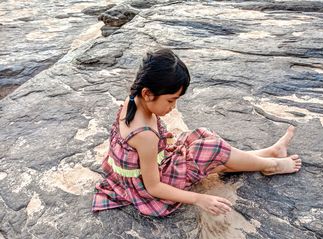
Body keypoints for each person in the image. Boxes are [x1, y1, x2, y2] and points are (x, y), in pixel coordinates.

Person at [92, 48, 302, 217]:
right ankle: (271, 164)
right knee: (211, 148)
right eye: (171, 100)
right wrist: (199, 199)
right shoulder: (144, 135)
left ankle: (267, 152)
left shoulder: (134, 98)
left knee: (203, 138)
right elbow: (154, 187)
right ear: (148, 93)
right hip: (150, 185)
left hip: (157, 163)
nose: (173, 107)